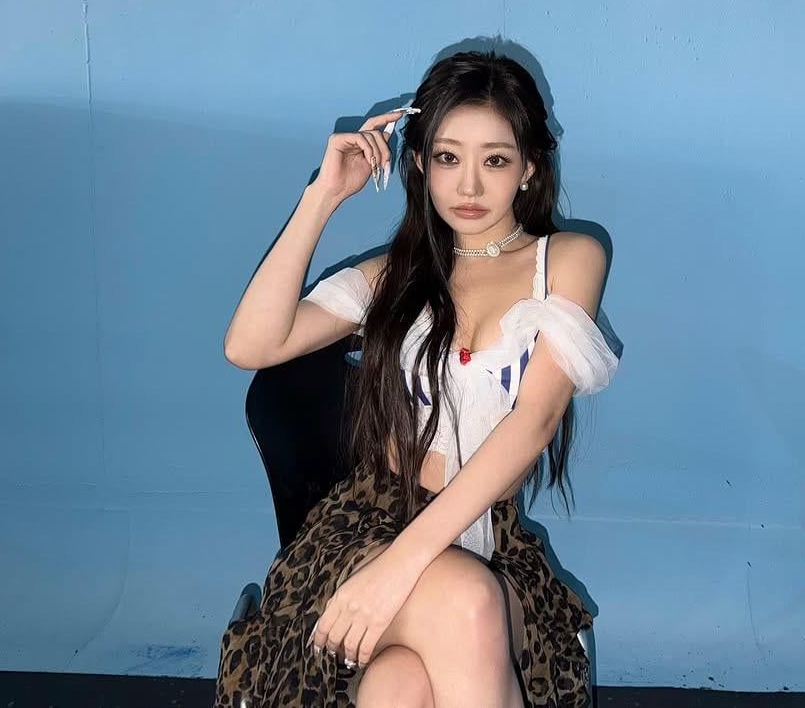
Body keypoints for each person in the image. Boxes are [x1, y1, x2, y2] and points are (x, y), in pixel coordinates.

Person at [216, 49, 620, 707]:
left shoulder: (568, 259)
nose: (469, 186)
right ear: (420, 164)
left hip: (491, 545)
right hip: (365, 530)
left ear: (529, 167)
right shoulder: (394, 274)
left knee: (398, 685)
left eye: (495, 160)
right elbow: (250, 344)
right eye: (447, 157)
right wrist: (323, 195)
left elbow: (535, 420)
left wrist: (400, 569)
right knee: (464, 603)